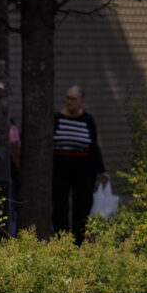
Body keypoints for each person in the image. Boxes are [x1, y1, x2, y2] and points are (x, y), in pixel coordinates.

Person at [52, 86, 108, 244]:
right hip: (61, 170)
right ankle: (61, 241)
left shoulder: (88, 121)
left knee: (82, 209)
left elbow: (94, 148)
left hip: (83, 172)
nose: (69, 102)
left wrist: (101, 171)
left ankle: (78, 242)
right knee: (60, 207)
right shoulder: (57, 119)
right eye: (67, 98)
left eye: (73, 99)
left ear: (82, 100)